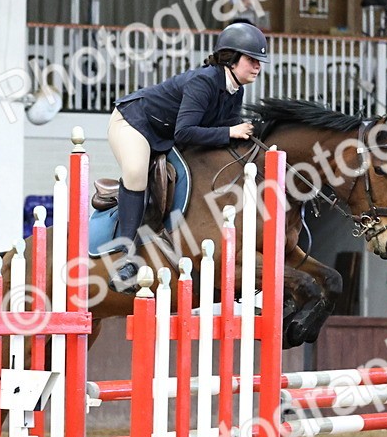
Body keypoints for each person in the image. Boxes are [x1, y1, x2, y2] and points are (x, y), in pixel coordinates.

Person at [105, 21, 270, 293]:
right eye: (252, 60)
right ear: (230, 58)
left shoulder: (235, 90)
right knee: (136, 171)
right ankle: (125, 260)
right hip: (134, 123)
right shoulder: (203, 81)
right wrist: (230, 131)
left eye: (259, 61)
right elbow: (185, 133)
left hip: (165, 134)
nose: (258, 67)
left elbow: (220, 135)